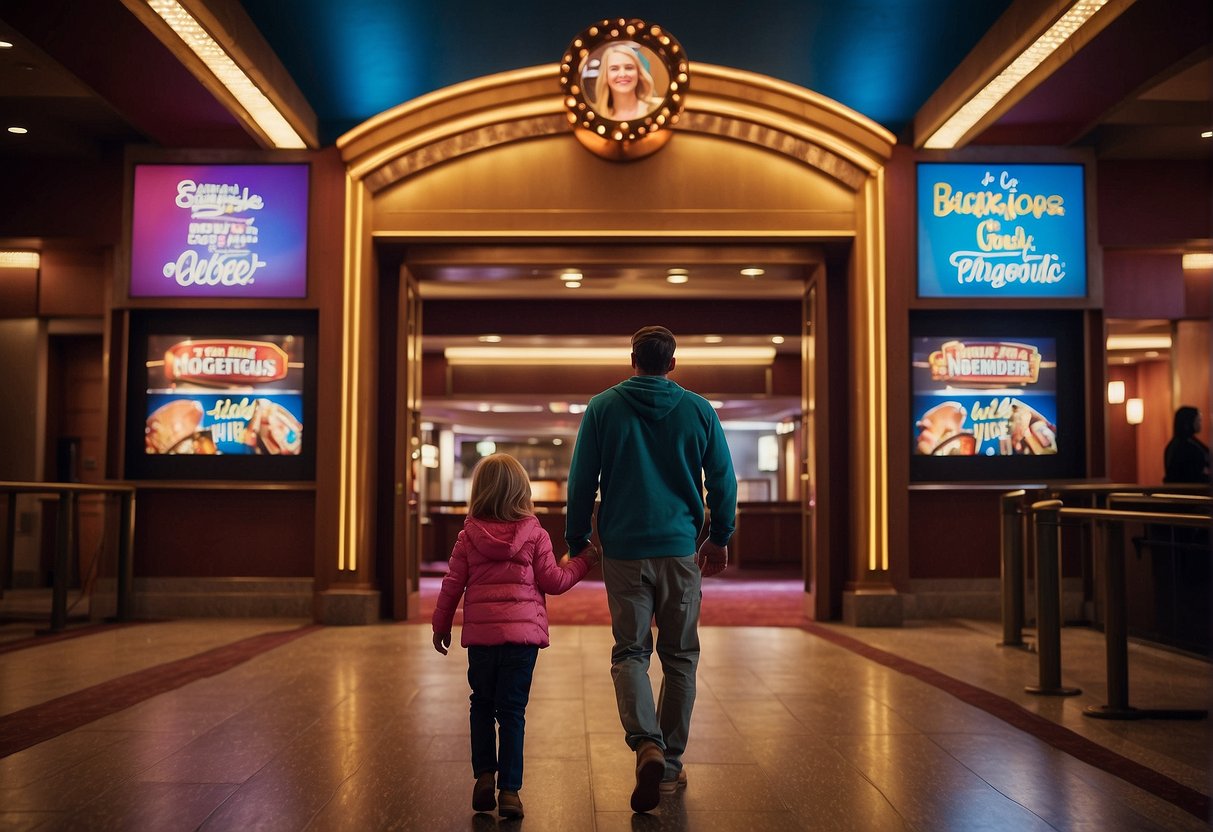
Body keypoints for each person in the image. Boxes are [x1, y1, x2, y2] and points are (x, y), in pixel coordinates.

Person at [565, 325, 737, 813]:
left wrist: (578, 539)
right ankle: (672, 766)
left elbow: (582, 481)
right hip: (681, 550)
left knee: (631, 651)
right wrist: (719, 537)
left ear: (632, 359)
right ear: (673, 364)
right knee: (680, 655)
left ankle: (647, 745)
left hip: (623, 552)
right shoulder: (699, 410)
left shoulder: (603, 407)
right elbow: (723, 479)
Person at [432, 452, 600, 819]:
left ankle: (483, 777)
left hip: (481, 639)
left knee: (481, 704)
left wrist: (441, 624)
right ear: (522, 492)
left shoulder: (467, 537)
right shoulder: (534, 534)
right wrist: (583, 561)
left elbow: (451, 585)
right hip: (522, 640)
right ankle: (509, 791)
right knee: (511, 712)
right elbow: (554, 582)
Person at [593, 43, 662, 122]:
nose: (623, 74)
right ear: (605, 76)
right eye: (614, 69)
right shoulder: (594, 116)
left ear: (639, 73)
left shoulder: (659, 109)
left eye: (629, 68)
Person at [1163, 405, 1210, 483]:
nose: (1200, 423)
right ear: (1189, 422)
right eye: (1198, 420)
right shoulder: (1184, 446)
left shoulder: (1176, 444)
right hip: (1188, 490)